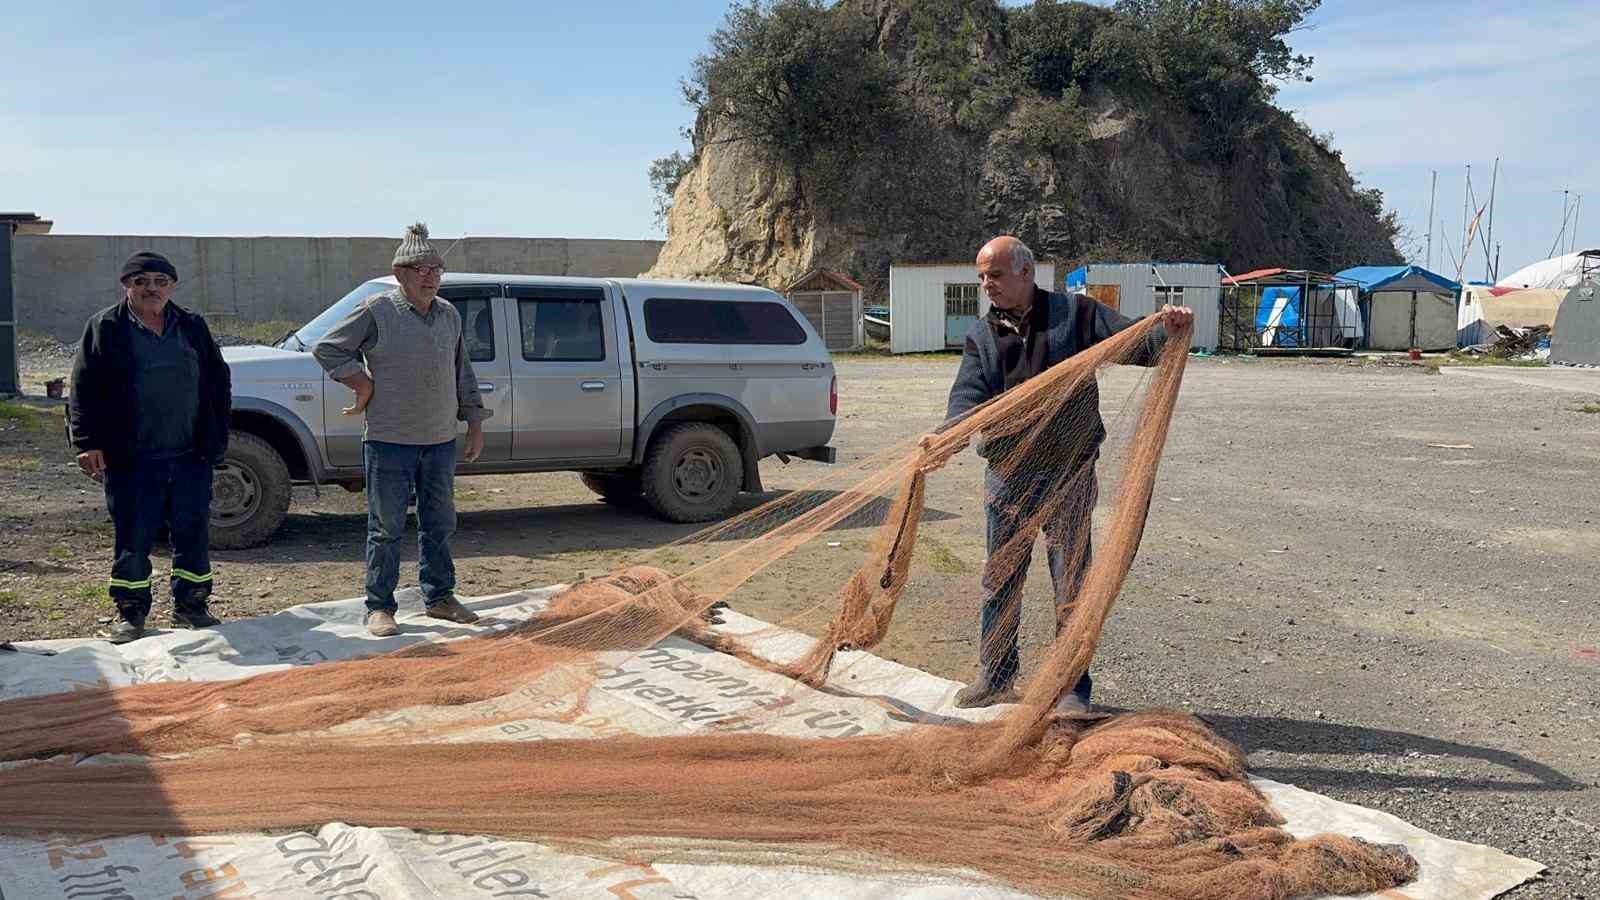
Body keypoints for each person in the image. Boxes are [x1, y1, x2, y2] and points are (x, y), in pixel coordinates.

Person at [942, 236, 1193, 711]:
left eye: (994, 275)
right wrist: (946, 435)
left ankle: (1071, 688)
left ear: (1025, 272)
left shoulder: (1077, 315)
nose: (985, 285)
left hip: (1069, 473)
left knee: (1072, 581)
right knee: (1000, 579)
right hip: (1007, 475)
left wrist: (1166, 329)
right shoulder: (981, 335)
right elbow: (966, 397)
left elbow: (1135, 344)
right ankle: (994, 678)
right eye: (981, 276)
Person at [312, 223, 489, 636]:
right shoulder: (378, 310)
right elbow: (328, 348)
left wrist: (475, 422)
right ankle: (379, 606)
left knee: (440, 522)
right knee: (386, 527)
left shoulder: (448, 315)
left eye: (436, 269)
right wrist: (362, 382)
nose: (430, 276)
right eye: (420, 269)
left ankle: (440, 597)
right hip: (389, 441)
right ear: (400, 273)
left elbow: (462, 371)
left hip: (440, 439)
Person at [68, 251, 232, 643]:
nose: (151, 289)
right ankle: (132, 611)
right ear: (127, 286)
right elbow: (83, 388)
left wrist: (217, 436)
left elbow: (217, 382)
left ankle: (192, 605)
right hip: (133, 458)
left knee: (192, 532)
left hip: (190, 455)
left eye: (160, 281)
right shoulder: (105, 327)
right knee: (134, 537)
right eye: (141, 281)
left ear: (172, 285)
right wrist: (88, 442)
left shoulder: (191, 325)